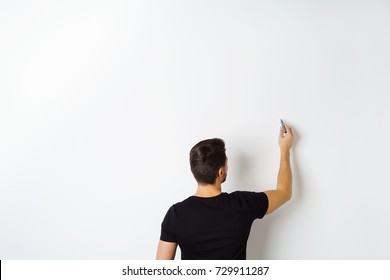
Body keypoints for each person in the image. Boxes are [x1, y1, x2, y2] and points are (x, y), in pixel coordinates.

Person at [156, 123, 294, 260]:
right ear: (220, 172)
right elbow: (284, 192)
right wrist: (285, 149)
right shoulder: (243, 204)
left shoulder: (175, 214)